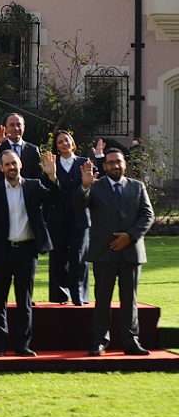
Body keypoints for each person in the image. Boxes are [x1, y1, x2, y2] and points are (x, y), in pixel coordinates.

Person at [0, 149, 59, 357]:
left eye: (14, 163)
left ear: (20, 164)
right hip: (2, 254)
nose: (11, 168)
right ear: (1, 168)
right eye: (7, 164)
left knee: (24, 302)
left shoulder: (34, 186)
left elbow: (55, 198)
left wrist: (52, 176)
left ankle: (22, 345)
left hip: (26, 251)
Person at [76, 149, 154, 356]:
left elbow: (148, 215)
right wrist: (84, 186)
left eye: (118, 162)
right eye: (110, 163)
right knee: (103, 300)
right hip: (104, 253)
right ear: (104, 166)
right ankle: (100, 342)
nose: (115, 166)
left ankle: (131, 341)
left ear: (125, 164)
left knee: (130, 299)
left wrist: (130, 236)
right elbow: (78, 205)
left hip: (131, 251)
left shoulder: (137, 187)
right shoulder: (95, 186)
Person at [46, 133, 99, 305]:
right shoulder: (51, 164)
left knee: (79, 257)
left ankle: (79, 296)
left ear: (73, 143)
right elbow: (48, 192)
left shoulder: (84, 162)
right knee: (57, 257)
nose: (64, 143)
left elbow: (98, 181)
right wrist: (51, 176)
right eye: (60, 142)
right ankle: (59, 296)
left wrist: (99, 157)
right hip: (57, 217)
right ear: (57, 146)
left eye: (66, 140)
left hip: (80, 217)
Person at [0, 113, 42, 180]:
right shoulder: (0, 147)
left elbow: (38, 176)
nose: (16, 128)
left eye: (19, 125)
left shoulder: (33, 150)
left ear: (23, 127)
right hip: (4, 189)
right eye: (12, 125)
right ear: (5, 129)